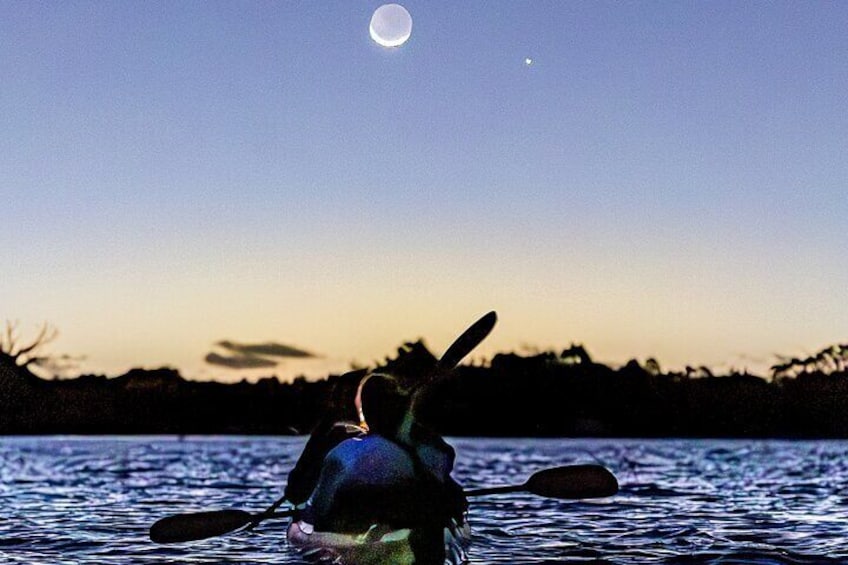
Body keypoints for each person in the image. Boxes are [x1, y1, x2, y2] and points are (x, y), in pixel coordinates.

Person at [290, 373, 466, 563]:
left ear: (364, 412)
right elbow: (447, 468)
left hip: (378, 535)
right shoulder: (428, 448)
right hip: (409, 536)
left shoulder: (343, 452)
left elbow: (320, 514)